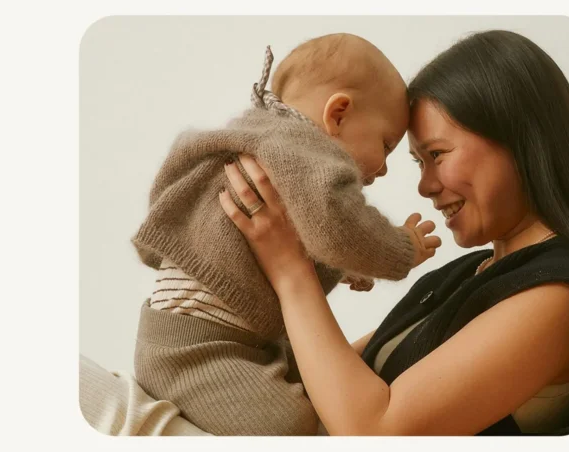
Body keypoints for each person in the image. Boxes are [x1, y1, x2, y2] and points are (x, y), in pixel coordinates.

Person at [217, 30, 569, 435]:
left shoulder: (558, 296)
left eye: (437, 155)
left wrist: (290, 269)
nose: (425, 186)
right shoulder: (467, 273)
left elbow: (375, 431)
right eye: (419, 163)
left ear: (519, 139)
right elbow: (318, 384)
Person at [128, 33, 441, 436]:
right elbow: (338, 227)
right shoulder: (305, 155)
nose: (383, 169)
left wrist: (347, 268)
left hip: (224, 339)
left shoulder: (266, 139)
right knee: (293, 424)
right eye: (386, 143)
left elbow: (293, 233)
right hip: (197, 350)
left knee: (321, 382)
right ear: (339, 114)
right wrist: (402, 248)